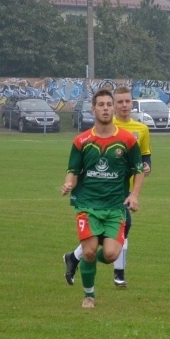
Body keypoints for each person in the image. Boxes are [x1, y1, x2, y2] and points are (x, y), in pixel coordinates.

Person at [60, 88, 145, 308]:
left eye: (109, 104)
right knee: (89, 251)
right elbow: (73, 170)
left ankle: (76, 260)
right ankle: (89, 296)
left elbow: (138, 170)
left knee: (110, 254)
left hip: (115, 206)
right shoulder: (82, 141)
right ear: (93, 109)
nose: (106, 108)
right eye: (101, 105)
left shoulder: (127, 140)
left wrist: (134, 195)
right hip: (87, 205)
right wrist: (69, 183)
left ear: (113, 108)